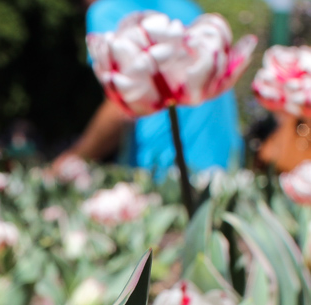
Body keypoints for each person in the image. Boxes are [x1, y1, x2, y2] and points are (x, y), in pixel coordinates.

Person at [54, 0, 244, 177]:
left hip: (166, 169)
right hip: (227, 163)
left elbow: (120, 108)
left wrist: (73, 160)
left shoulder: (106, 10)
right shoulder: (185, 6)